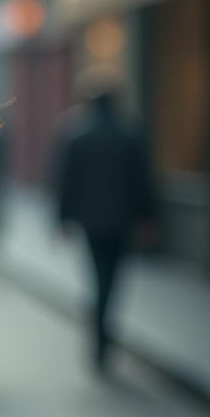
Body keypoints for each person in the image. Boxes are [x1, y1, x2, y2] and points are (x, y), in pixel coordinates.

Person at [50, 69, 158, 374]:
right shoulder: (130, 133)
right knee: (112, 281)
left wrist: (62, 220)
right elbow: (143, 182)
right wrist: (148, 218)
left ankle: (99, 336)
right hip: (122, 221)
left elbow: (64, 182)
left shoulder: (75, 133)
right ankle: (103, 334)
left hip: (91, 222)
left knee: (98, 278)